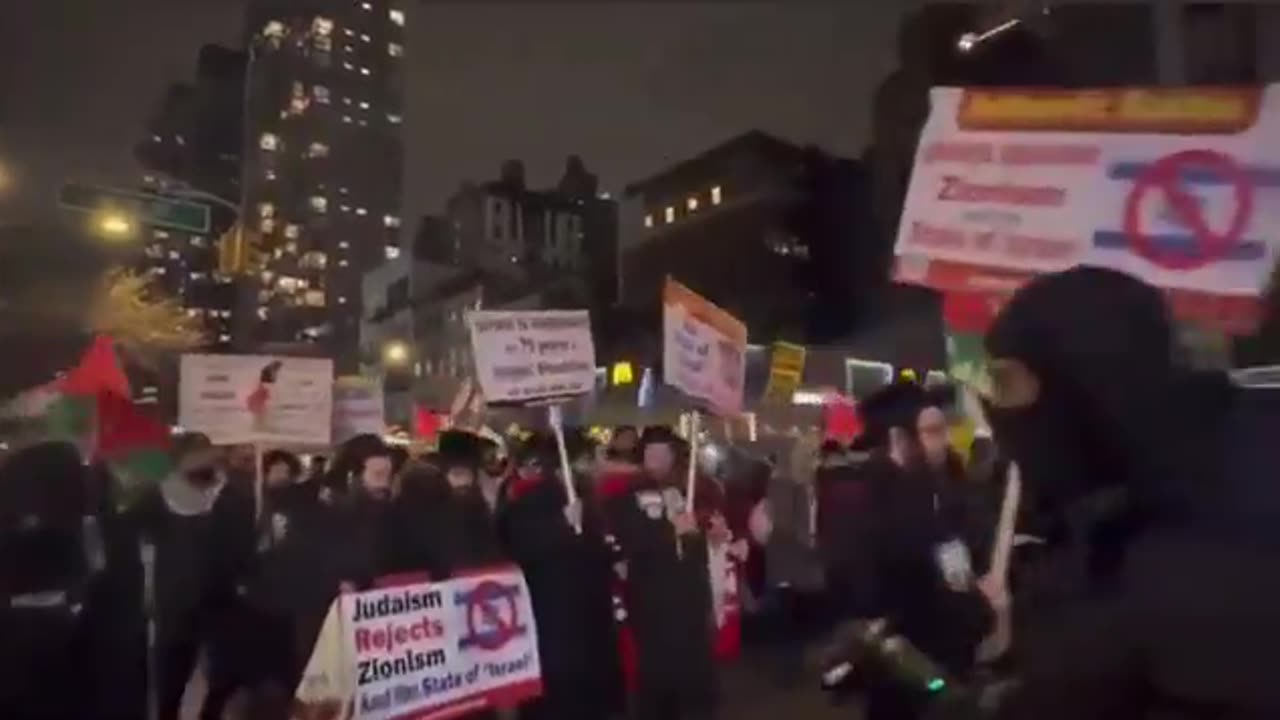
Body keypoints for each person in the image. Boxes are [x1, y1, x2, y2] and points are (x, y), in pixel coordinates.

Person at [971, 267, 1280, 718]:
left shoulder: (1186, 549)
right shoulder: (1153, 493)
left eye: (1006, 383)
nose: (998, 410)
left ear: (1083, 376)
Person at [855, 381, 996, 720]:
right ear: (899, 440)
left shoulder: (943, 488)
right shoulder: (873, 504)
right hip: (908, 666)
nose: (944, 441)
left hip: (949, 658)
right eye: (932, 431)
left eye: (942, 429)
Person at [129, 433, 255, 720]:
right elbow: (131, 533)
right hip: (175, 604)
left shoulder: (232, 494)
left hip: (222, 602)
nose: (205, 459)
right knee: (170, 682)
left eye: (208, 453)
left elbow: (244, 544)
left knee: (225, 675)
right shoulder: (157, 496)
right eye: (198, 454)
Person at [499, 432, 624, 720]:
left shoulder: (588, 503)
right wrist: (562, 526)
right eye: (590, 460)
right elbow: (520, 547)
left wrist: (611, 557)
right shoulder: (529, 505)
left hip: (589, 624)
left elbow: (595, 549)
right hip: (556, 625)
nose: (597, 468)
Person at [602, 426, 718, 720]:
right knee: (656, 681)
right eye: (651, 451)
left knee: (694, 680)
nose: (656, 458)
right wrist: (670, 530)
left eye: (663, 451)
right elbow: (629, 538)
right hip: (653, 601)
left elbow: (703, 539)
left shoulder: (691, 490)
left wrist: (713, 536)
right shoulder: (625, 496)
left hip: (690, 600)